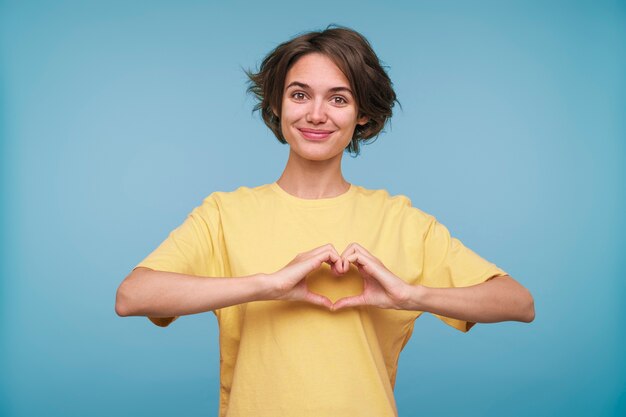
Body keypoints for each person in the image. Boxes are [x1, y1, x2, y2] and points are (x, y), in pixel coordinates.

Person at [115, 24, 535, 417]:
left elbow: (519, 302)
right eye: (300, 95)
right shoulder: (225, 214)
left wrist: (410, 295)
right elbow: (133, 296)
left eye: (339, 98)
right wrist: (268, 285)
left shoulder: (401, 220)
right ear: (277, 105)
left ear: (363, 115)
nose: (317, 114)